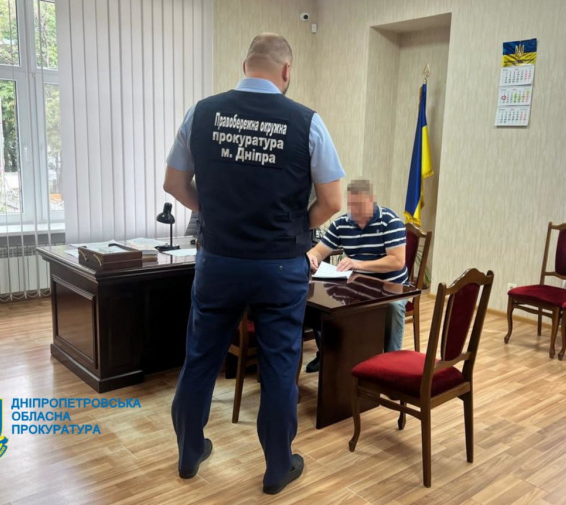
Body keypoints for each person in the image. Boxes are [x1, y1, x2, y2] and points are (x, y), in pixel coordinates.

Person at [163, 33, 344, 495]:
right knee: (280, 367)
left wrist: (212, 213)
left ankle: (188, 452)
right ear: (286, 71)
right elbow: (332, 201)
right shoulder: (307, 122)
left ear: (245, 66)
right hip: (280, 266)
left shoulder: (201, 113)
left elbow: (174, 184)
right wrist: (293, 227)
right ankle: (277, 467)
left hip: (218, 260)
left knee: (201, 357)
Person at [305, 179, 408, 372]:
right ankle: (327, 354)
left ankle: (391, 363)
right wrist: (311, 258)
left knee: (394, 307)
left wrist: (358, 264)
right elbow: (318, 251)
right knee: (320, 305)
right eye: (352, 206)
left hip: (390, 286)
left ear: (371, 201)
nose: (355, 212)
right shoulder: (342, 223)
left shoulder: (390, 221)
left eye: (360, 206)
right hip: (356, 285)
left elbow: (397, 261)